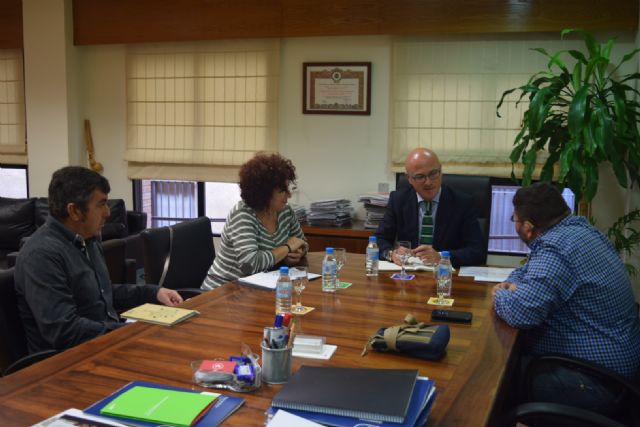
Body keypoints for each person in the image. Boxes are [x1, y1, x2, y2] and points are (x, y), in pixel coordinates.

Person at [492, 182, 640, 411]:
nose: (515, 224)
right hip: (615, 368)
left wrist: (500, 292)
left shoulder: (557, 248)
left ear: (528, 228)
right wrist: (514, 284)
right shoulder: (579, 229)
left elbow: (520, 313)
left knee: (494, 381)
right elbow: (526, 271)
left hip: (594, 381)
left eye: (515, 220)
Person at [14, 166, 183, 355]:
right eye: (101, 204)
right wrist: (128, 333)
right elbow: (64, 331)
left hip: (103, 345)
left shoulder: (88, 239)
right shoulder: (41, 255)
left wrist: (154, 293)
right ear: (74, 211)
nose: (108, 212)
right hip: (66, 363)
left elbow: (103, 294)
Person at [201, 153, 307, 290]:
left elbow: (301, 241)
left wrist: (298, 253)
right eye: (282, 190)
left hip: (257, 288)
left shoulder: (285, 212)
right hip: (224, 290)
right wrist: (287, 248)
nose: (289, 194)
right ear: (265, 192)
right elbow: (251, 264)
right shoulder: (242, 215)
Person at [375, 148, 486, 268]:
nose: (428, 182)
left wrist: (442, 257)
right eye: (420, 177)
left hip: (445, 276)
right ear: (409, 178)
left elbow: (477, 251)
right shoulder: (398, 200)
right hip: (408, 274)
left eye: (433, 174)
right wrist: (391, 254)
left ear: (441, 171)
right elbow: (378, 240)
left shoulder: (462, 203)